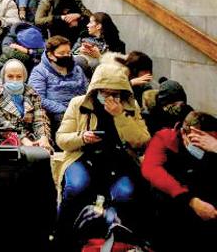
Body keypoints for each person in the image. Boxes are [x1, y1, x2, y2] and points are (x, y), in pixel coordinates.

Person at [55, 62, 150, 251]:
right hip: (82, 156)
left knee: (125, 192)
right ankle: (63, 235)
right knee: (76, 186)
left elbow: (142, 140)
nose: (108, 97)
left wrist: (120, 116)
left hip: (118, 160)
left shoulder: (130, 107)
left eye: (114, 93)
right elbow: (61, 139)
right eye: (104, 92)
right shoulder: (78, 103)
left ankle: (118, 237)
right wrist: (81, 137)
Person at [141, 111, 217, 251]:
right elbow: (151, 169)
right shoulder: (165, 138)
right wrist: (191, 200)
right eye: (197, 140)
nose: (202, 146)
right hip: (176, 203)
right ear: (184, 134)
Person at [0, 59, 52, 152]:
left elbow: (39, 118)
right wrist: (23, 140)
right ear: (3, 76)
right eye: (10, 76)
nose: (15, 80)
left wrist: (43, 137)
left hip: (31, 138)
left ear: (24, 77)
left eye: (19, 77)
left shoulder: (32, 92)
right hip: (2, 139)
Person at [28, 35, 89, 139]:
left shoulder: (77, 69)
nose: (67, 56)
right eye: (62, 53)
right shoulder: (39, 72)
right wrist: (65, 110)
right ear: (51, 55)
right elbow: (38, 98)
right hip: (57, 112)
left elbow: (87, 91)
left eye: (68, 53)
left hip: (79, 108)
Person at [71, 12, 126, 76]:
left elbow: (119, 67)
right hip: (79, 76)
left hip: (103, 78)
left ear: (98, 26)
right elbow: (70, 54)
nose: (87, 25)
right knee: (79, 60)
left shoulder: (117, 44)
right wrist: (79, 50)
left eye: (90, 22)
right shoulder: (83, 37)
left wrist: (99, 56)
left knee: (95, 63)